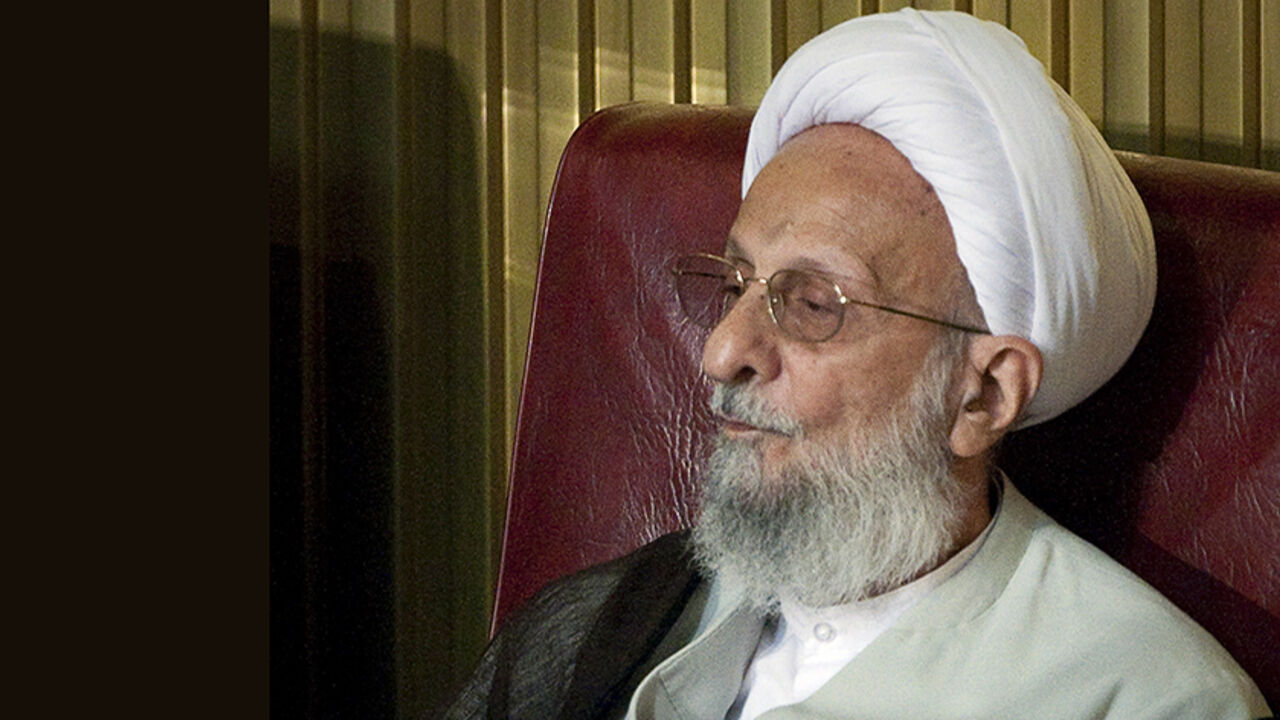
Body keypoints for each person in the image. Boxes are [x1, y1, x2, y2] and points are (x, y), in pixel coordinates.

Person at [441, 9, 1270, 720]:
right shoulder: (610, 620)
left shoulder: (1146, 699)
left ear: (980, 393)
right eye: (735, 282)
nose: (721, 350)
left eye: (812, 304)